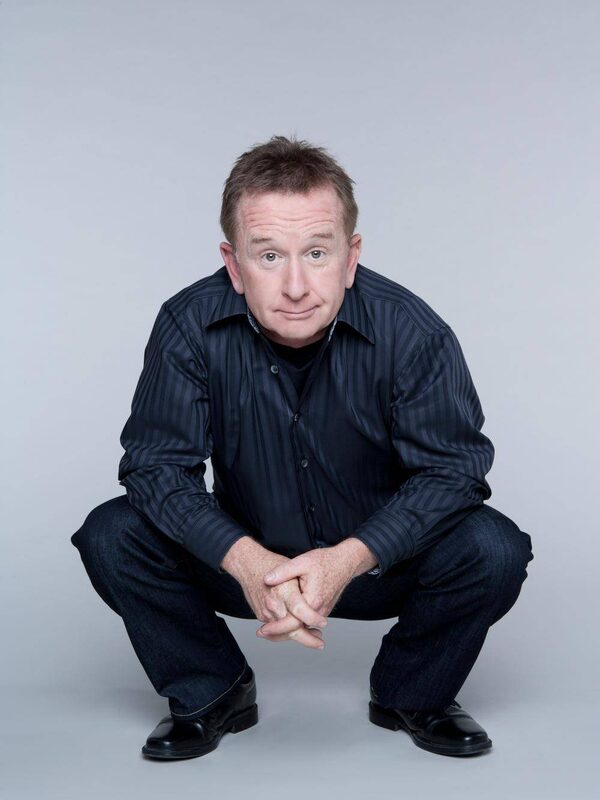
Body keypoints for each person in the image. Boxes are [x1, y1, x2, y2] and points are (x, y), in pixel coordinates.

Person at [71, 134, 534, 760]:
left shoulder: (412, 331)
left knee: (493, 548)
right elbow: (155, 468)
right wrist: (247, 563)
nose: (296, 285)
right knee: (112, 533)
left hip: (376, 565)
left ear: (351, 256)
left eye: (317, 252)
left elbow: (454, 472)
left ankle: (413, 693)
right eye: (269, 255)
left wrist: (345, 561)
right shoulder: (188, 322)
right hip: (244, 565)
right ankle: (212, 692)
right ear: (234, 264)